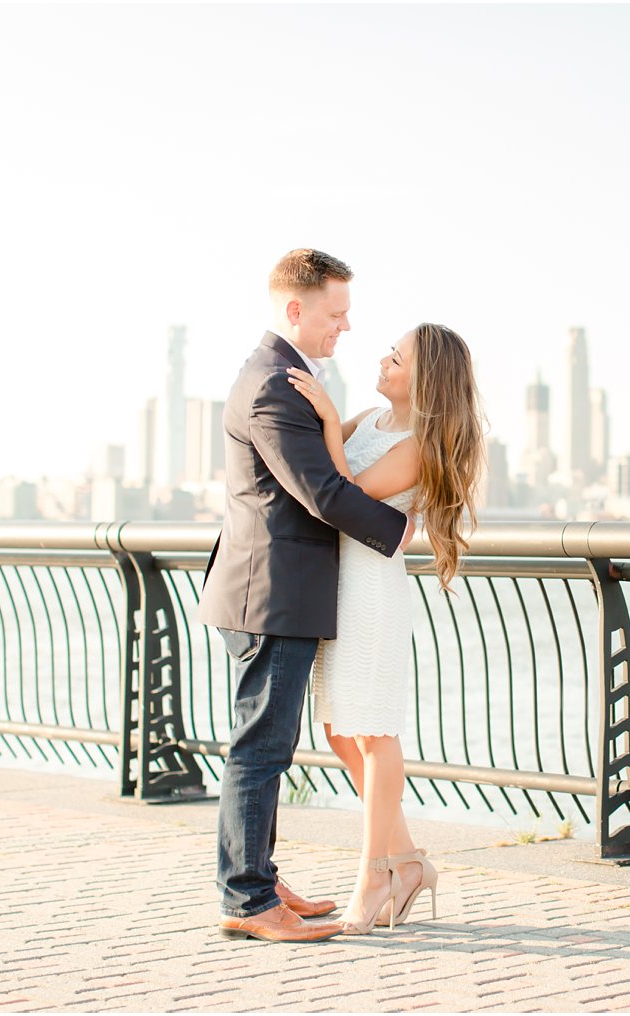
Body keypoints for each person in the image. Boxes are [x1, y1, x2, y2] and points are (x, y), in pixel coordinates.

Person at [197, 249, 411, 945]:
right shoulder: (273, 387)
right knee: (260, 750)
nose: (346, 326)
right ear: (297, 309)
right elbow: (321, 494)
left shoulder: (286, 381)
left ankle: (257, 875)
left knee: (267, 745)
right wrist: (402, 527)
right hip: (272, 596)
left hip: (277, 592)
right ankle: (249, 898)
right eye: (337, 312)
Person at [284, 321, 484, 934]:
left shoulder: (423, 444)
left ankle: (374, 875)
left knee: (372, 732)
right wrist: (324, 422)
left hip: (372, 593)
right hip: (336, 587)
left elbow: (347, 492)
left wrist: (325, 417)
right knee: (341, 732)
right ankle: (409, 864)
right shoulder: (369, 419)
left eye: (397, 358)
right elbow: (317, 472)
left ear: (426, 380)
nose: (384, 360)